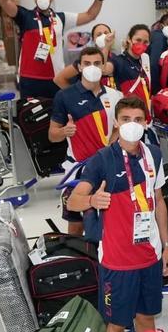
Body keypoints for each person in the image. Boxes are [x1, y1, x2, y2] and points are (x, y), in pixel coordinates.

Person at [67, 97, 168, 332]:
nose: (132, 124)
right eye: (126, 119)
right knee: (116, 325)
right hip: (117, 261)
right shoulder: (102, 159)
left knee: (146, 318)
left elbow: (159, 201)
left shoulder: (154, 155)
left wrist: (166, 246)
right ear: (116, 122)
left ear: (146, 123)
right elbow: (72, 201)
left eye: (138, 119)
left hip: (149, 256)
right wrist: (92, 200)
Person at [0, 0, 107, 99]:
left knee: (56, 111)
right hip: (30, 79)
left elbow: (90, 15)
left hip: (55, 78)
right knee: (31, 112)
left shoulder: (61, 18)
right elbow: (4, 2)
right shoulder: (25, 16)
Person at [50, 46, 122, 235]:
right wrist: (64, 131)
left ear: (103, 67)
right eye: (87, 63)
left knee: (110, 221)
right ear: (79, 67)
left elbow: (118, 128)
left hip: (108, 167)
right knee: (76, 225)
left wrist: (111, 144)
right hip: (78, 170)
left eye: (97, 63)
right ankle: (76, 253)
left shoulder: (115, 96)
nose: (92, 67)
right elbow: (52, 135)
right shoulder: (64, 96)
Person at [109, 25, 156, 113]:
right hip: (127, 112)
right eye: (138, 40)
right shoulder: (118, 61)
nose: (141, 44)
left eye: (145, 42)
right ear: (129, 39)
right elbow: (103, 69)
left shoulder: (145, 58)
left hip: (145, 112)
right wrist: (106, 46)